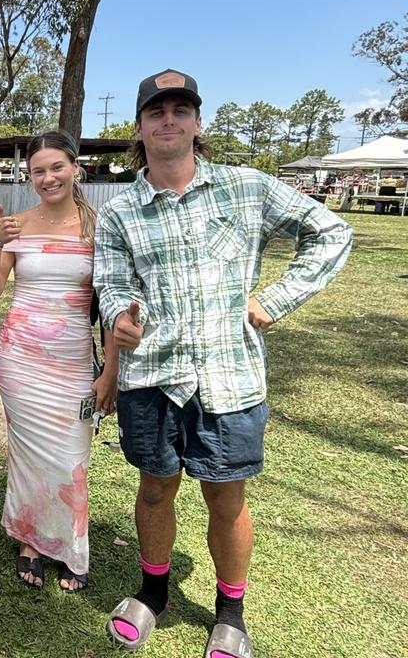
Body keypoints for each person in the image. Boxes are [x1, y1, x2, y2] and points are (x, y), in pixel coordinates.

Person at [94, 69, 352, 658]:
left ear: (197, 123)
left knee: (226, 499)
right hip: (152, 378)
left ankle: (230, 613)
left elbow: (331, 231)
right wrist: (120, 319)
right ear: (139, 127)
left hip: (227, 378)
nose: (169, 119)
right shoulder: (119, 213)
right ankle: (153, 594)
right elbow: (110, 285)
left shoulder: (248, 188)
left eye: (181, 109)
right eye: (157, 111)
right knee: (155, 490)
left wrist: (275, 299)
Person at [0, 130, 119, 594]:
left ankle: (70, 545)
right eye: (38, 170)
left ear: (76, 168)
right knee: (26, 455)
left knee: (71, 457)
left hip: (74, 360)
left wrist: (110, 371)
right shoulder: (15, 224)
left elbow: (113, 306)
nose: (47, 177)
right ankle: (29, 540)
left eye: (57, 167)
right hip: (19, 360)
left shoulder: (100, 227)